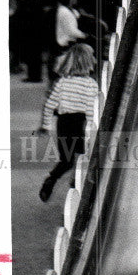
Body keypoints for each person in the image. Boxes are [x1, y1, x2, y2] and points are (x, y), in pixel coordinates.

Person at [37, 43, 98, 202]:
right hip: (81, 124)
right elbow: (91, 110)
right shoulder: (91, 84)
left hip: (63, 123)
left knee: (66, 160)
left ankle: (51, 180)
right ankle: (77, 182)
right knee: (85, 153)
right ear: (88, 62)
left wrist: (45, 125)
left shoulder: (62, 82)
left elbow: (49, 104)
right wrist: (91, 130)